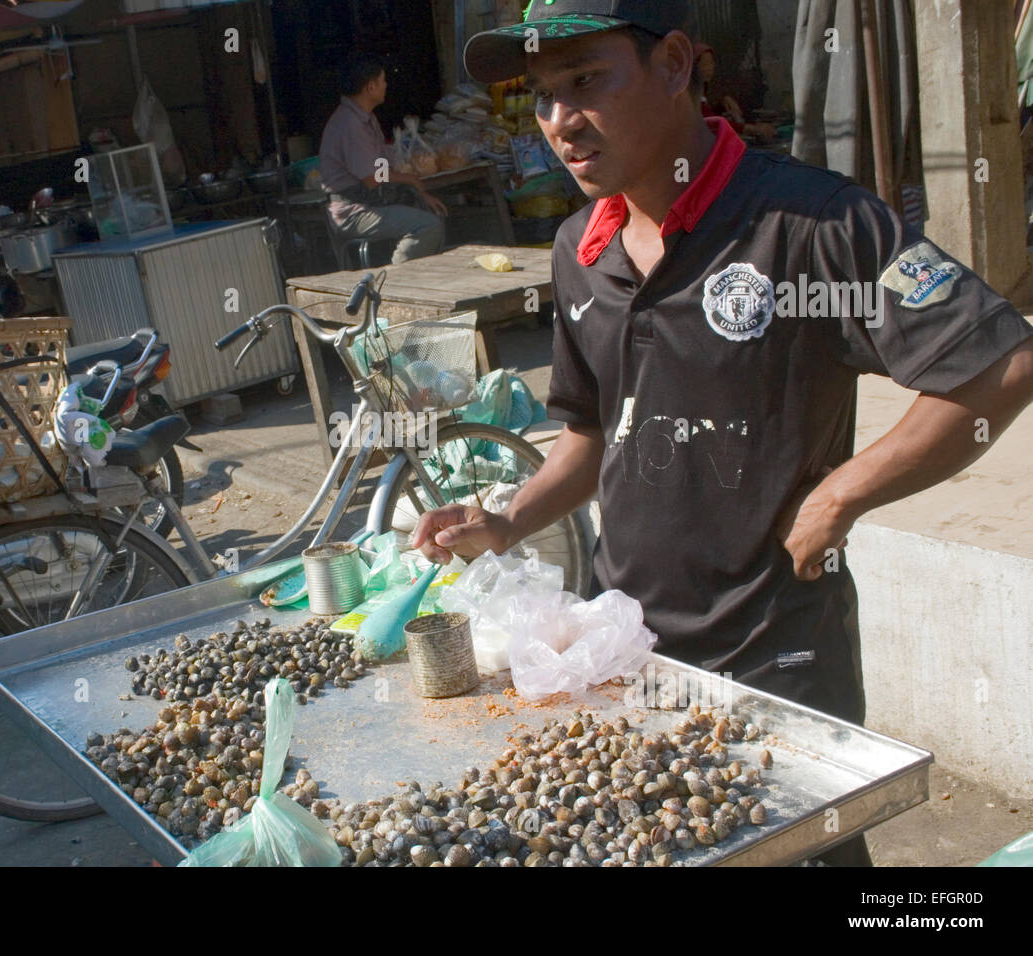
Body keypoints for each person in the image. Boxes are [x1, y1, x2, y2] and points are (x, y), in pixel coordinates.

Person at [428, 0, 1033, 865]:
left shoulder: (812, 224)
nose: (559, 121)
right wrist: (507, 519)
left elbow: (1000, 366)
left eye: (586, 82)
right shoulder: (576, 250)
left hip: (777, 656)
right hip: (628, 648)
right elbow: (594, 433)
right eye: (543, 96)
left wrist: (841, 494)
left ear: (675, 65)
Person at [318, 55, 448, 264]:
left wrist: (410, 163)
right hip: (353, 211)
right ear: (370, 87)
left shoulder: (366, 118)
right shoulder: (351, 124)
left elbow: (381, 161)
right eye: (382, 80)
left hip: (370, 201)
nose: (386, 85)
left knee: (426, 208)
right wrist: (410, 179)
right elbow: (372, 177)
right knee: (426, 225)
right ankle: (397, 278)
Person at [694, 44, 776, 141]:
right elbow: (711, 120)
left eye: (711, 63)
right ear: (692, 68)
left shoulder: (704, 88)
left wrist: (723, 99)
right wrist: (748, 128)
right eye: (704, 64)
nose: (709, 68)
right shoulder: (690, 94)